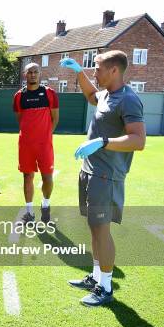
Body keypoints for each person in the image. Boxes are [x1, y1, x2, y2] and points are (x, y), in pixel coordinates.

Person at [61, 50, 146, 307]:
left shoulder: (128, 100)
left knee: (102, 230)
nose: (94, 72)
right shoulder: (107, 94)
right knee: (93, 227)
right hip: (90, 171)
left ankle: (105, 287)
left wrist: (103, 141)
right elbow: (90, 95)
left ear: (114, 71)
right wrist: (79, 72)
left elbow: (138, 140)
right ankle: (96, 276)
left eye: (97, 68)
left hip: (106, 176)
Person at [13, 63, 59, 223]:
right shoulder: (19, 96)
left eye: (35, 72)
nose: (32, 75)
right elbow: (21, 119)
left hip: (44, 145)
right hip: (25, 145)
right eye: (30, 72)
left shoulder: (49, 94)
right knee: (27, 177)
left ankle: (45, 206)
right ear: (25, 74)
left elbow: (55, 118)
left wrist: (45, 135)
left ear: (40, 74)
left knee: (47, 177)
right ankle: (29, 212)